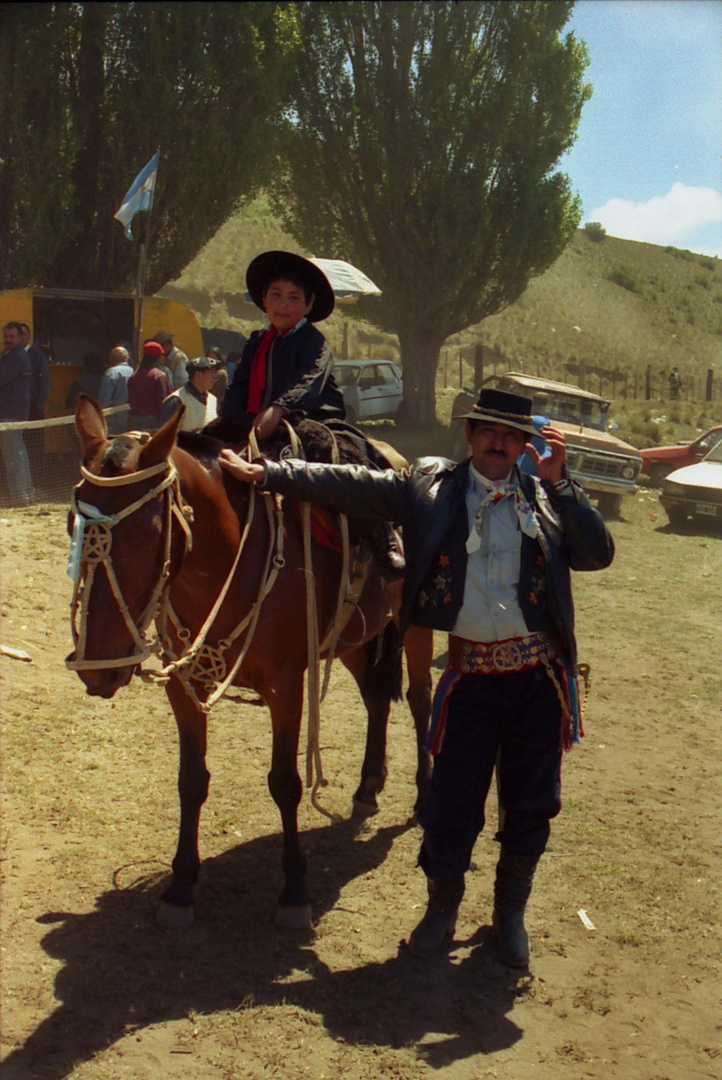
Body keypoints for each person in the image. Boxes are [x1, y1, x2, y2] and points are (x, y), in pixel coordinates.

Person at [217, 387, 615, 967]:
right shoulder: (429, 489)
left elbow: (598, 552)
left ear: (525, 446)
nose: (499, 443)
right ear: (471, 436)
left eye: (512, 436)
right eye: (489, 431)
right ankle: (442, 909)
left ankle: (509, 912)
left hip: (538, 682)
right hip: (470, 678)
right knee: (452, 804)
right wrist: (268, 473)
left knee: (531, 804)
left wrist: (562, 484)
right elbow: (347, 486)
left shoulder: (548, 498)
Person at [220, 250, 345, 440]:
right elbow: (240, 384)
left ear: (308, 305)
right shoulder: (257, 341)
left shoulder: (314, 341)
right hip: (258, 421)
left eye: (294, 297)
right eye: (276, 295)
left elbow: (307, 381)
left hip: (310, 419)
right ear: (264, 299)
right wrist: (226, 417)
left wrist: (279, 409)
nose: (283, 304)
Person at [0, 321, 32, 504]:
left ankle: (20, 496)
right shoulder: (8, 355)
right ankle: (26, 491)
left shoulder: (17, 357)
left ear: (20, 338)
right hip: (9, 412)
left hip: (12, 413)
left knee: (13, 454)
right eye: (6, 336)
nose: (8, 340)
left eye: (12, 337)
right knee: (18, 452)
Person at [159, 356, 219, 432]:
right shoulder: (177, 400)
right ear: (198, 375)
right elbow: (166, 435)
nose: (215, 377)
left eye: (215, 372)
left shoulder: (213, 400)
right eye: (211, 373)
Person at [127, 341, 172, 431]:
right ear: (158, 357)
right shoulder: (159, 376)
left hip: (135, 419)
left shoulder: (134, 375)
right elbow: (163, 401)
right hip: (153, 420)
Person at [97, 345, 134, 435]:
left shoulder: (111, 373)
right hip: (132, 417)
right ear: (127, 358)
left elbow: (105, 400)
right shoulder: (135, 371)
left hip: (114, 419)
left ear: (111, 359)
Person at [19, 323, 49, 421]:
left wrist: (39, 403)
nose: (20, 337)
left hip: (33, 405)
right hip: (14, 406)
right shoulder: (8, 355)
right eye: (18, 334)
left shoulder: (37, 355)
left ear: (29, 336)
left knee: (34, 435)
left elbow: (44, 380)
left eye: (23, 334)